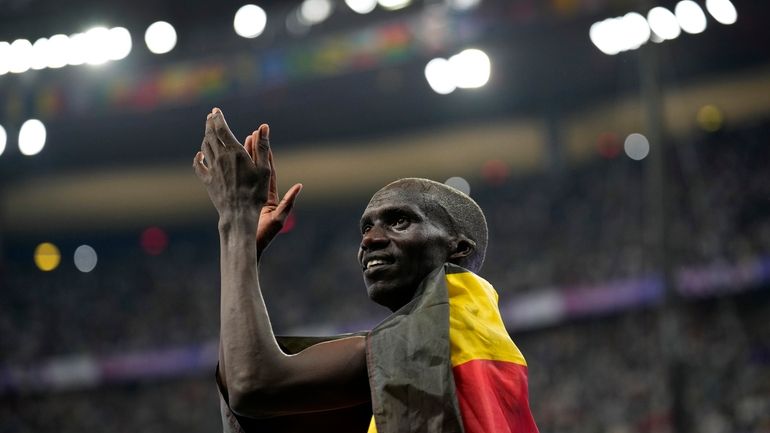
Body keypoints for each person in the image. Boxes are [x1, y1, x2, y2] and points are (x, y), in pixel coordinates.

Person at [193, 108, 539, 433]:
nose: (370, 239)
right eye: (365, 228)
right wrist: (245, 248)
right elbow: (248, 381)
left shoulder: (448, 328)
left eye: (399, 221)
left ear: (459, 247)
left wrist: (235, 218)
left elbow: (252, 384)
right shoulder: (442, 344)